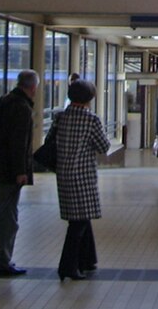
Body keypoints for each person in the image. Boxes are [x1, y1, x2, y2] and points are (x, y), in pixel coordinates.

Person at [0, 69, 38, 277]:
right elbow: (18, 143)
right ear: (32, 87)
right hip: (7, 171)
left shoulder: (4, 101)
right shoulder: (22, 108)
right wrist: (20, 171)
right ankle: (2, 261)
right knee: (8, 218)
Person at [54, 79, 110, 281]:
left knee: (80, 218)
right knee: (78, 223)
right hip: (83, 175)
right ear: (89, 98)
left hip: (63, 174)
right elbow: (104, 147)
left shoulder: (60, 117)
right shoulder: (91, 120)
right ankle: (67, 266)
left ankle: (87, 260)